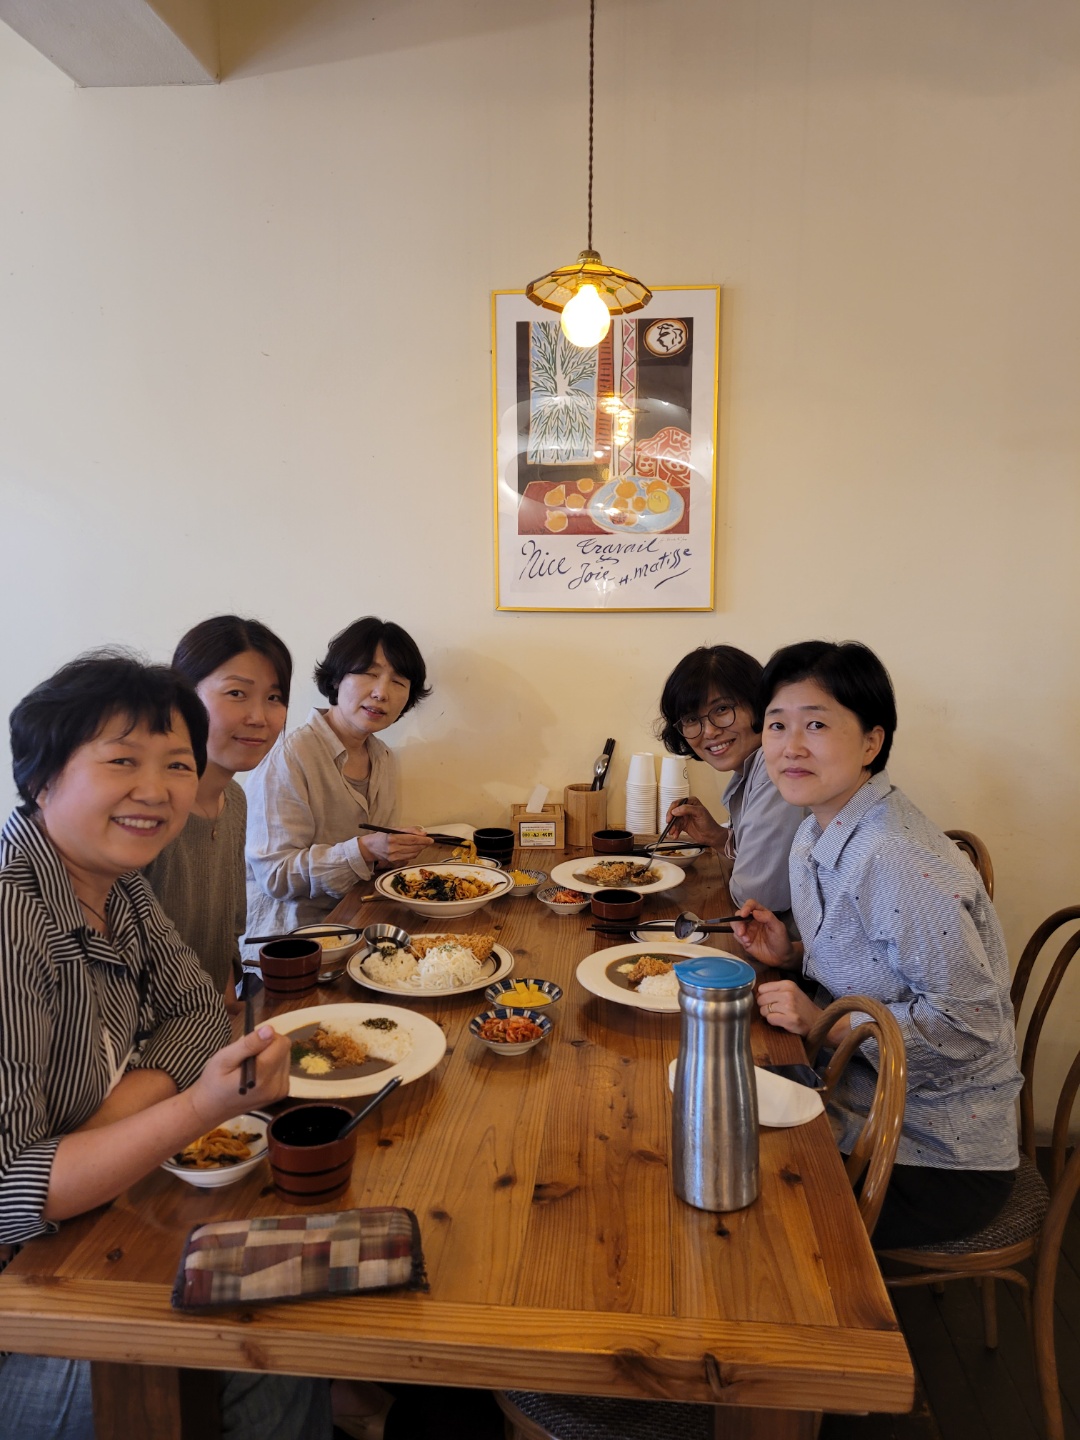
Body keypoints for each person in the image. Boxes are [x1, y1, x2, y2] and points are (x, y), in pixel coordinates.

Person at [0, 652, 317, 1439]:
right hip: (21, 1307)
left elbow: (199, 1012)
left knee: (293, 1286)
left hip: (93, 1223)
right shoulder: (12, 918)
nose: (157, 789)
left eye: (177, 763)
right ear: (42, 778)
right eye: (122, 761)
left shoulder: (121, 887)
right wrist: (197, 1105)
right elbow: (11, 1190)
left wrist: (103, 1126)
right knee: (268, 1333)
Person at [731, 640, 1022, 1249]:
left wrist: (827, 1023)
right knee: (709, 1109)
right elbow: (877, 961)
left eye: (816, 725)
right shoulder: (818, 830)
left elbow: (971, 1028)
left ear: (871, 742)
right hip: (853, 1092)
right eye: (778, 725)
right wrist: (791, 955)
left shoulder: (894, 856)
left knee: (741, 1197)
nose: (791, 746)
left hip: (931, 1150)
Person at [246, 617, 432, 942]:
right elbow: (275, 875)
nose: (381, 692)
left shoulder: (383, 758)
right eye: (369, 673)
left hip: (359, 924)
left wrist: (393, 851)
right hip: (290, 941)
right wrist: (364, 850)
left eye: (398, 681)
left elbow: (375, 860)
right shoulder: (291, 755)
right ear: (336, 679)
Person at [144, 616, 291, 1003]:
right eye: (237, 693)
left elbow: (226, 936)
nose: (259, 717)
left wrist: (228, 1005)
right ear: (184, 696)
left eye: (274, 698)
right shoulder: (147, 811)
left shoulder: (234, 800)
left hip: (214, 1022)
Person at [657, 644, 804, 916]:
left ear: (759, 704)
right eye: (692, 719)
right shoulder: (752, 768)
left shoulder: (778, 769)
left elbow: (756, 899)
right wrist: (717, 836)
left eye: (722, 708)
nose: (709, 731)